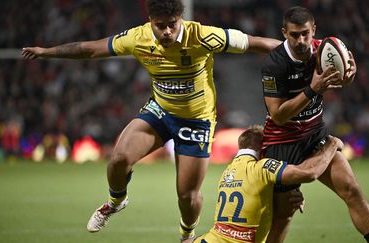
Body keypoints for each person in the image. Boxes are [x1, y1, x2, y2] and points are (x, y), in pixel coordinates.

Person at [22, 0, 282, 241]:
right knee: (118, 159)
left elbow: (256, 42)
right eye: (160, 26)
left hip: (196, 121)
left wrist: (303, 52)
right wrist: (47, 52)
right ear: (150, 21)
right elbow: (91, 49)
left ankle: (186, 234)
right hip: (160, 111)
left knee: (187, 195)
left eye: (173, 24)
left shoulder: (203, 36)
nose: (167, 31)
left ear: (181, 19)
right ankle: (116, 201)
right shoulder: (138, 37)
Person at [260, 6, 369, 243]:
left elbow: (346, 76)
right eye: (295, 34)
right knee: (283, 216)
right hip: (282, 142)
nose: (301, 40)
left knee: (352, 190)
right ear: (284, 32)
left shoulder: (324, 50)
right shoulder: (275, 64)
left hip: (315, 136)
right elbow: (278, 115)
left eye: (306, 33)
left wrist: (349, 73)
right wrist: (312, 89)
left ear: (313, 29)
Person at [189, 125, 343, 243]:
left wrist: (285, 195)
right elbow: (309, 173)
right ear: (264, 149)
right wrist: (332, 144)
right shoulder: (261, 167)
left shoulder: (228, 172)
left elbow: (253, 198)